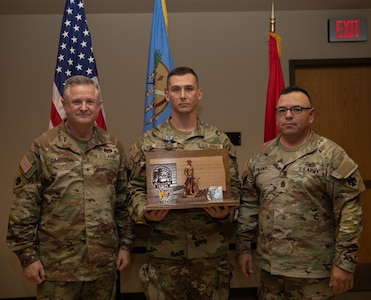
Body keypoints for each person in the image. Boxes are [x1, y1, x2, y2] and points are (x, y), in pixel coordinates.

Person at [7, 75, 135, 299]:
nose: (83, 107)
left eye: (89, 102)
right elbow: (24, 208)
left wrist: (125, 246)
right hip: (56, 269)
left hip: (103, 266)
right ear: (64, 105)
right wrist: (28, 257)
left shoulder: (113, 147)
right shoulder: (43, 147)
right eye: (76, 102)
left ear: (99, 106)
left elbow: (123, 203)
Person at [236, 85, 365, 299]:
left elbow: (350, 213)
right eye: (282, 110)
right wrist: (242, 249)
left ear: (311, 115)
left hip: (313, 271)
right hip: (270, 270)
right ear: (276, 116)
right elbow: (249, 206)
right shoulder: (260, 156)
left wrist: (345, 263)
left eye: (297, 109)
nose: (288, 115)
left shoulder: (331, 156)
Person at [127, 66, 242, 299]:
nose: (182, 95)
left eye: (188, 89)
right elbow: (133, 189)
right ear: (167, 95)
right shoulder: (149, 142)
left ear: (199, 94)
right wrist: (145, 212)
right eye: (176, 89)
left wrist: (224, 213)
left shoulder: (218, 140)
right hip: (165, 255)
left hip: (210, 254)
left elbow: (235, 189)